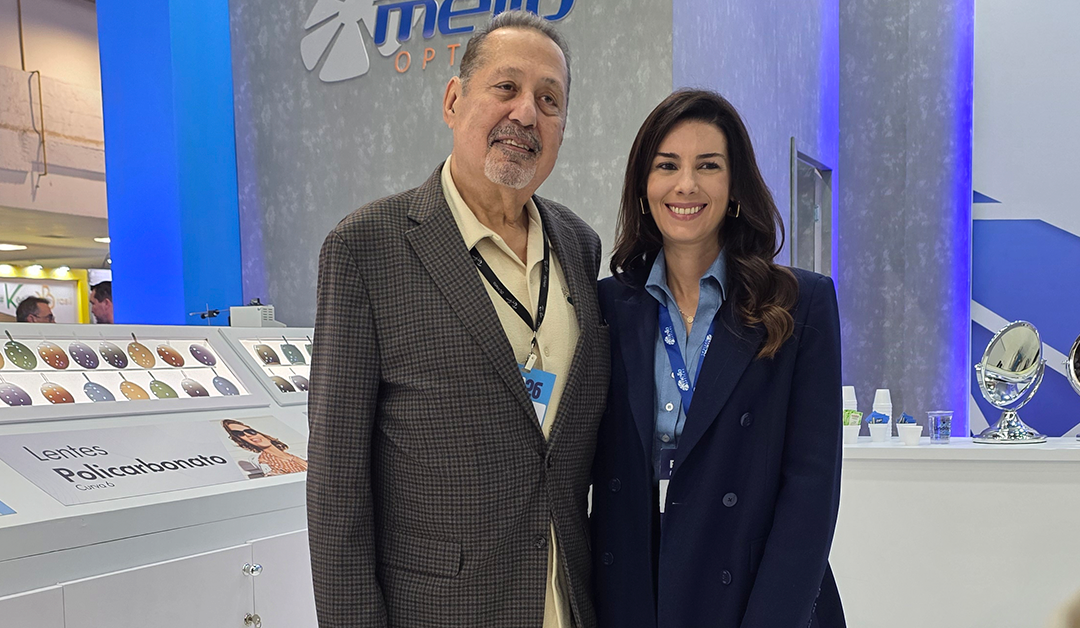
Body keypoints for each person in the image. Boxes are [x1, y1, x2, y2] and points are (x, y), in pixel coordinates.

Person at [307, 11, 609, 628]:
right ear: (453, 99)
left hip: (569, 602)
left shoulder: (579, 245)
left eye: (549, 100)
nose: (527, 113)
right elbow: (337, 490)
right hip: (444, 610)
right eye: (506, 87)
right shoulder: (368, 248)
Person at [591, 90, 845, 628]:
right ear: (643, 187)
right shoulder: (609, 307)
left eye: (708, 166)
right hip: (636, 587)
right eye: (667, 166)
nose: (686, 185)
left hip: (755, 590)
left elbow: (811, 492)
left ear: (734, 187)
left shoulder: (800, 304)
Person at [221, 419, 307, 475]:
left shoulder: (298, 454)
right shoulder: (265, 461)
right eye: (240, 434)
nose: (248, 435)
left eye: (249, 431)